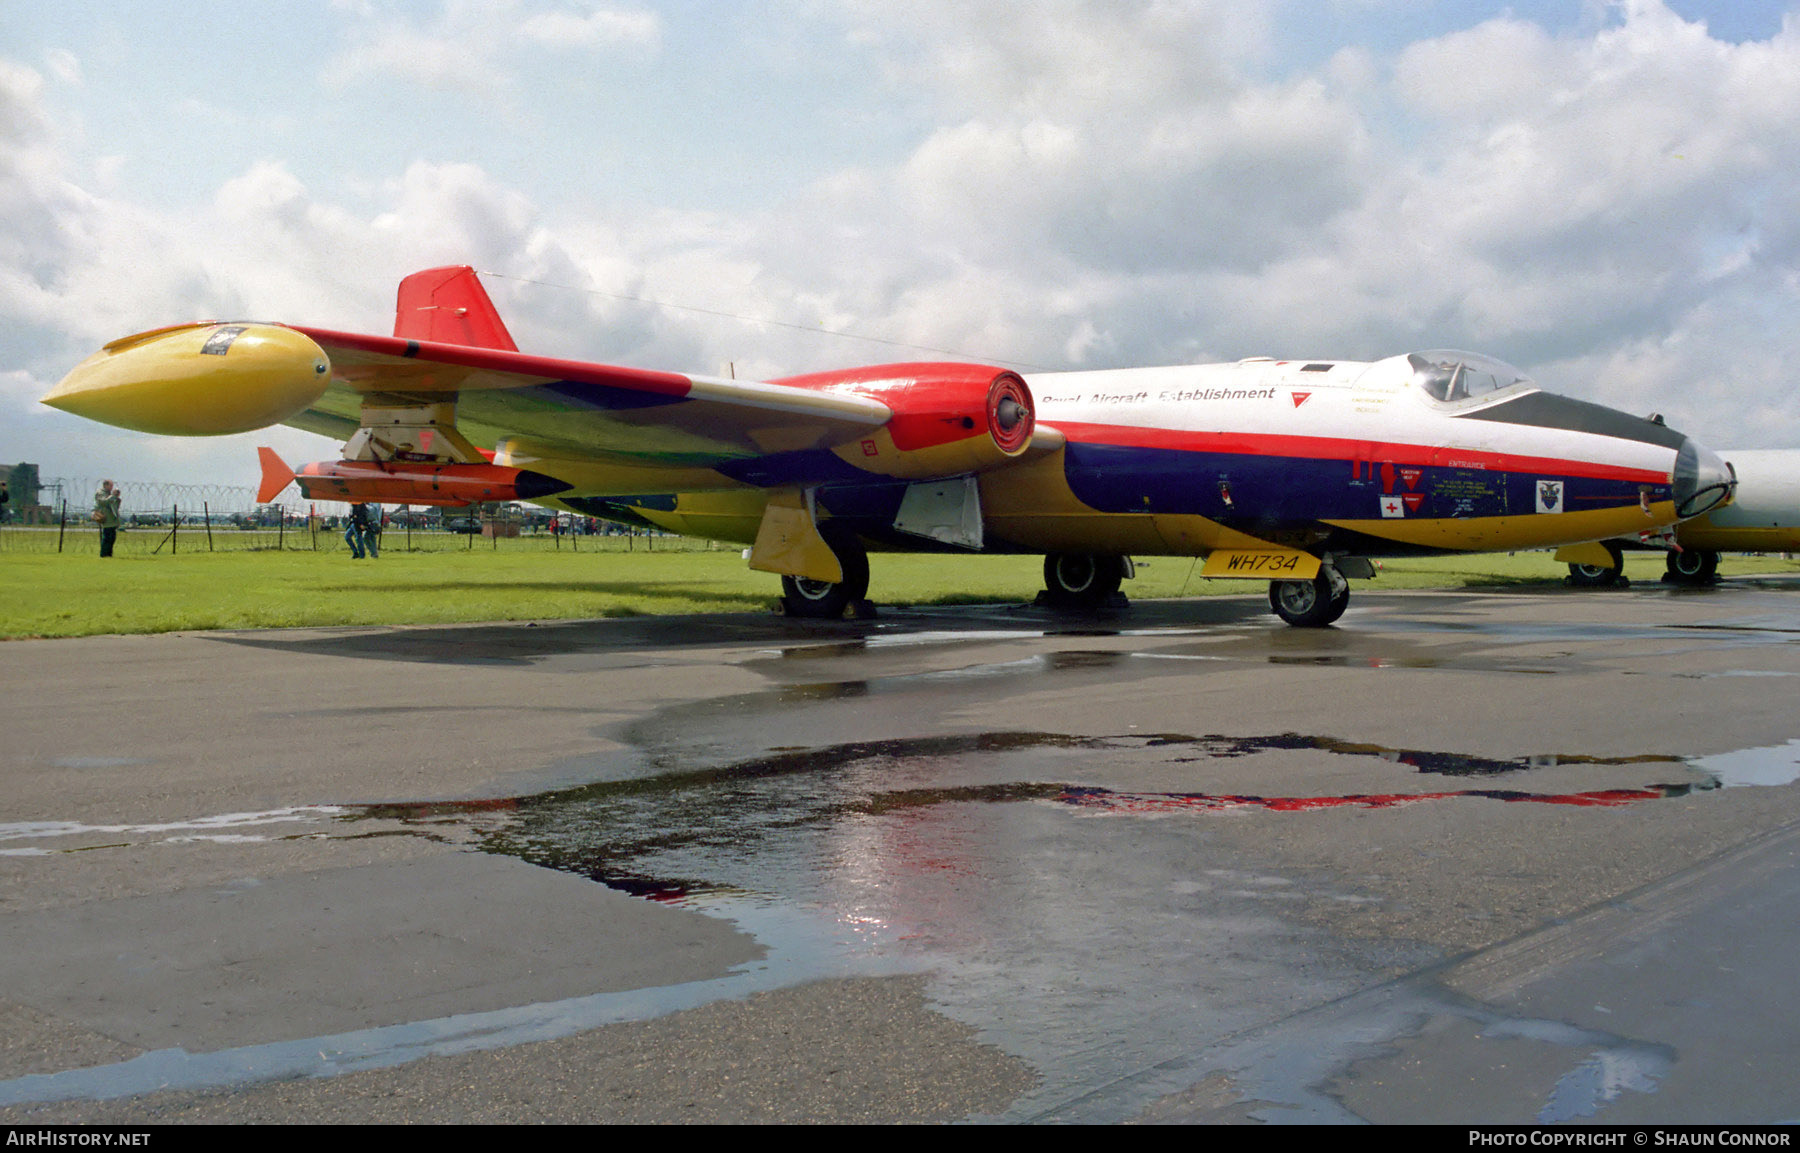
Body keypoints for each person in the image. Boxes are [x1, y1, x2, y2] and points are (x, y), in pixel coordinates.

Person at [93, 480, 122, 557]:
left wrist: (117, 498)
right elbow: (103, 502)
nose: (111, 487)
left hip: (112, 519)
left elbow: (115, 506)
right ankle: (104, 554)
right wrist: (113, 495)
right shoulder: (100, 493)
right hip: (106, 519)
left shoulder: (108, 494)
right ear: (105, 485)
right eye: (110, 486)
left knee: (112, 538)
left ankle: (109, 554)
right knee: (107, 537)